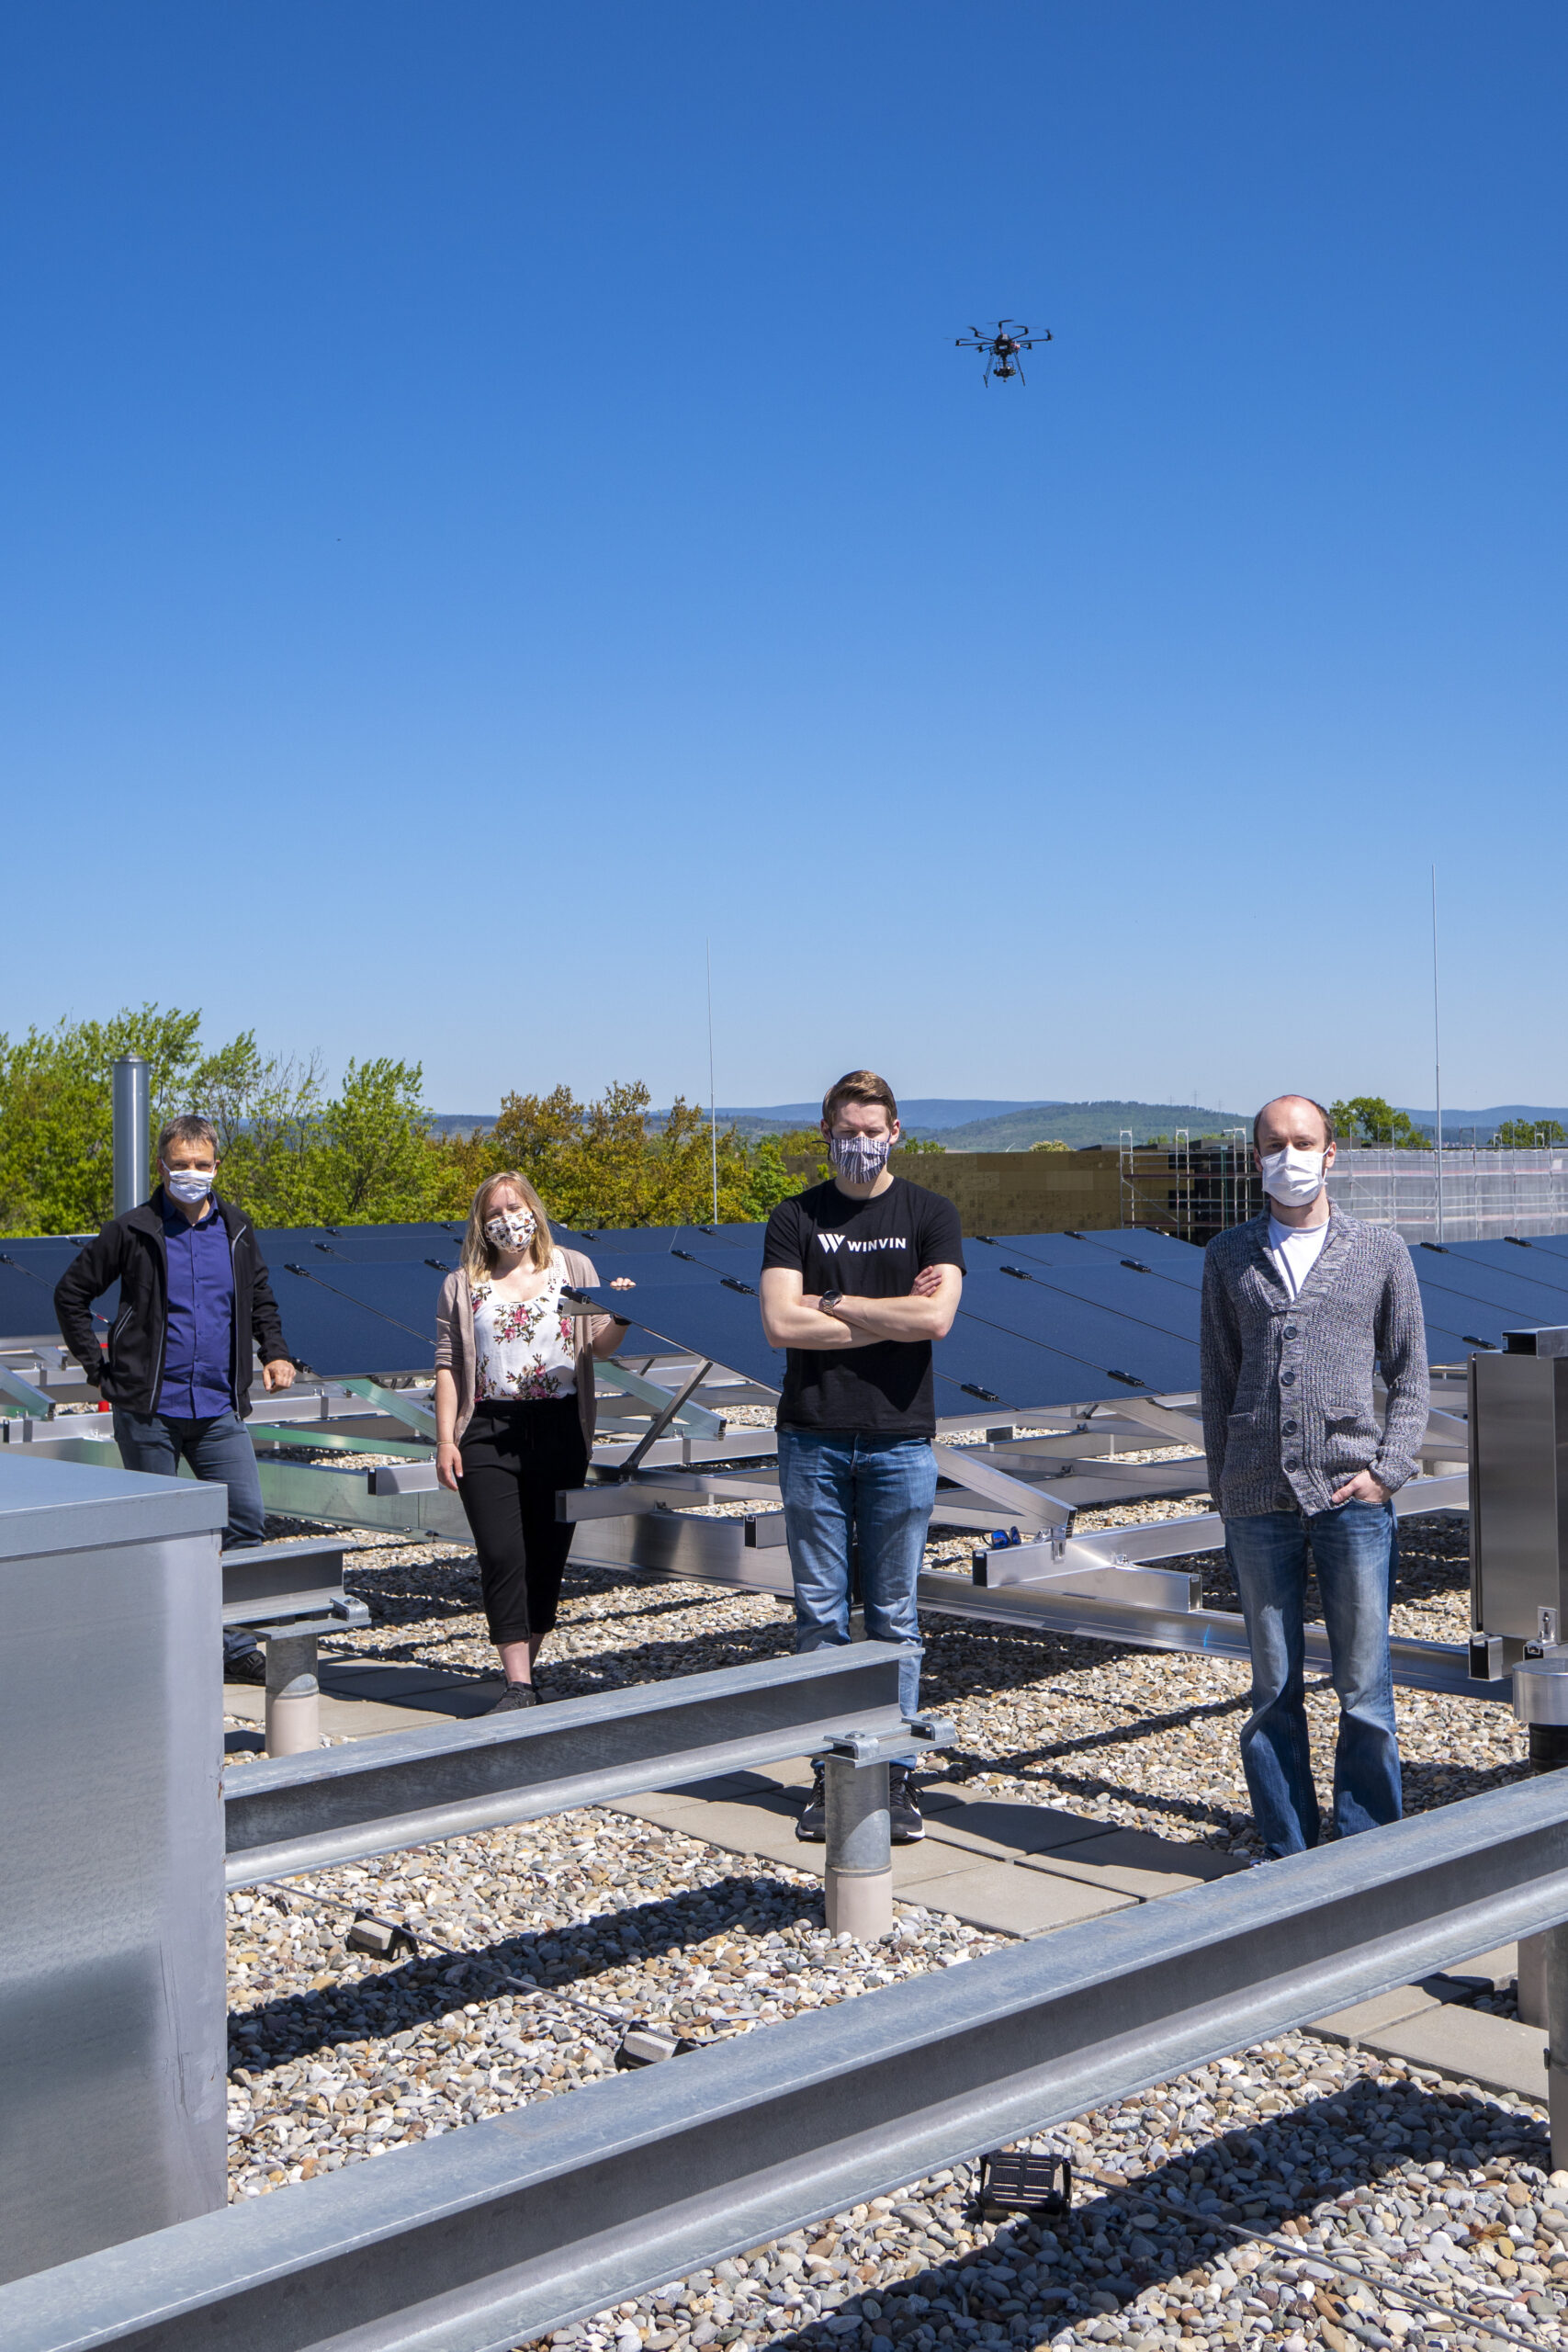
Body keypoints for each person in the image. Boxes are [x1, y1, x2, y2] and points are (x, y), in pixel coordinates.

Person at [1200, 1094, 1429, 1858]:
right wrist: (1224, 1487)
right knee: (1271, 1688)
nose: (1288, 1156)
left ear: (1331, 1154)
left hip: (1352, 1501)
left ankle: (1366, 1849)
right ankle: (1287, 1848)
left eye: (1302, 1142)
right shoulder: (1229, 1255)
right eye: (1273, 1143)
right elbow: (1217, 1379)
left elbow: (1410, 1374)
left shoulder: (1378, 1251)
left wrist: (1388, 1472)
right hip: (1256, 1500)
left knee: (1363, 1684)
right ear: (1252, 1157)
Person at [760, 1070, 964, 1844]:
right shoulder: (794, 1217)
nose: (859, 1142)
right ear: (824, 1131)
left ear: (895, 1131)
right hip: (811, 1434)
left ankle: (894, 1776)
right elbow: (780, 1324)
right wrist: (892, 1317)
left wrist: (834, 1301)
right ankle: (829, 1772)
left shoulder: (929, 1214)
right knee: (818, 1615)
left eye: (871, 1129)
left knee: (894, 1616)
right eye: (845, 1130)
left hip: (898, 1439)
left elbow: (937, 1317)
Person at [53, 1113, 298, 1681]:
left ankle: (229, 1646)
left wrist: (276, 1352)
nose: (192, 1173)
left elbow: (261, 1299)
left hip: (218, 1408)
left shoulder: (236, 1229)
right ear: (161, 1167)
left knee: (244, 1521)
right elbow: (72, 1293)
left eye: (202, 1164)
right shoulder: (134, 1230)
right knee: (157, 1533)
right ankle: (157, 1649)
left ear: (217, 1166)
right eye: (181, 1164)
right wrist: (99, 1370)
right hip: (148, 1410)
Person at [434, 1170, 635, 1711]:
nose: (507, 1220)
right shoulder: (463, 1284)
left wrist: (621, 1316)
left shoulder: (572, 1269)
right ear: (480, 1223)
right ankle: (517, 1683)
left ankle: (526, 1671)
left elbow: (601, 1346)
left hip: (559, 1426)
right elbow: (450, 1365)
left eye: (515, 1207)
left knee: (547, 1555)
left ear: (535, 1210)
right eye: (494, 1212)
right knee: (502, 1554)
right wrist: (444, 1440)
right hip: (487, 1431)